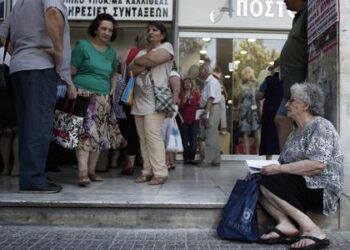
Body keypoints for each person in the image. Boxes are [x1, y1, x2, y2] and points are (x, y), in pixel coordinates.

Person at [0, 0, 76, 193]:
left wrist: (19, 51)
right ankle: (34, 179)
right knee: (39, 124)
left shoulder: (20, 4)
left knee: (26, 126)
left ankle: (31, 175)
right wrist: (58, 51)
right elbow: (52, 13)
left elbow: (2, 33)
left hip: (19, 67)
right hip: (39, 66)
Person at [259, 83, 343, 250]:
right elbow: (283, 163)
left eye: (292, 100)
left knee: (271, 181)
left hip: (321, 186)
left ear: (306, 105)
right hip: (301, 183)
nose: (286, 105)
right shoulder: (294, 133)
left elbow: (317, 165)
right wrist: (270, 168)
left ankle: (313, 230)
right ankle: (285, 224)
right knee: (259, 179)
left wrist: (278, 169)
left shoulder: (320, 126)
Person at [71, 13, 122, 187]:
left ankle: (92, 171)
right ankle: (82, 172)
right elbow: (70, 70)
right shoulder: (83, 46)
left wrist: (113, 87)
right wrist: (70, 88)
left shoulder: (111, 52)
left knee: (99, 136)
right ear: (95, 28)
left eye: (110, 30)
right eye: (104, 28)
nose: (107, 33)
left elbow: (113, 73)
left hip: (103, 98)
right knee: (85, 135)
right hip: (84, 96)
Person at [129, 21, 174, 185]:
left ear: (162, 35)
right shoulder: (141, 52)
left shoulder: (167, 47)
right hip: (139, 101)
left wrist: (143, 61)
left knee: (153, 136)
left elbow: (154, 59)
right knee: (143, 138)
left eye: (155, 30)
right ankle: (147, 171)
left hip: (157, 100)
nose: (151, 33)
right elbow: (131, 70)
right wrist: (146, 60)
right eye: (148, 30)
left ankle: (161, 172)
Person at [275, 0, 308, 149]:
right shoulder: (298, 17)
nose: (283, 1)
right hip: (291, 83)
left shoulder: (307, 15)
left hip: (299, 82)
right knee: (282, 119)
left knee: (284, 119)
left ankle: (287, 162)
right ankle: (287, 161)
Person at [116, 32, 147, 176]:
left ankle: (129, 164)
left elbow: (123, 74)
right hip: (144, 96)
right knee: (145, 131)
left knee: (130, 131)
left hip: (129, 96)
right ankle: (146, 163)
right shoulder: (151, 54)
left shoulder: (129, 52)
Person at [256, 60, 283, 160]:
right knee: (282, 134)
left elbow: (259, 95)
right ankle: (283, 160)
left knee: (269, 136)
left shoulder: (269, 79)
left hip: (269, 112)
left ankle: (268, 160)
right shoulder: (287, 81)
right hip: (284, 111)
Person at [0, 41, 19, 176]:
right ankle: (16, 167)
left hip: (2, 99)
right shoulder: (17, 54)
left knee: (5, 135)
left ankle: (5, 167)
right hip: (17, 96)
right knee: (18, 133)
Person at [198, 63, 222, 166]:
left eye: (201, 71)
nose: (199, 73)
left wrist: (206, 111)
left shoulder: (211, 81)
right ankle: (215, 159)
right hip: (213, 107)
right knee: (214, 134)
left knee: (210, 134)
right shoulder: (210, 81)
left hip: (212, 107)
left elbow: (211, 98)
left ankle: (207, 160)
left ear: (205, 71)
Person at [238, 66, 260, 154]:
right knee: (245, 132)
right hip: (244, 110)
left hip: (254, 110)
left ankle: (259, 152)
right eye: (246, 72)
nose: (248, 74)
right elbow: (240, 100)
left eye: (249, 72)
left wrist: (259, 109)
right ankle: (247, 153)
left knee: (256, 130)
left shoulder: (256, 84)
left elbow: (259, 98)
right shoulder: (241, 85)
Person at [180, 77, 200, 164]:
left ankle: (192, 157)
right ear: (183, 85)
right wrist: (184, 100)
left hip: (194, 120)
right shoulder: (181, 94)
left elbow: (198, 105)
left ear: (191, 84)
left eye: (189, 82)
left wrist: (192, 99)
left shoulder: (196, 93)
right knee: (184, 140)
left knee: (193, 139)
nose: (187, 84)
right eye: (185, 83)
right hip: (184, 120)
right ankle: (186, 158)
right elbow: (179, 107)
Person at [166, 63, 182, 170]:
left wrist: (171, 107)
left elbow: (175, 92)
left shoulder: (172, 74)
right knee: (170, 134)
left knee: (166, 135)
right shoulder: (174, 74)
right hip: (171, 106)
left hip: (169, 107)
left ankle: (168, 161)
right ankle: (171, 161)